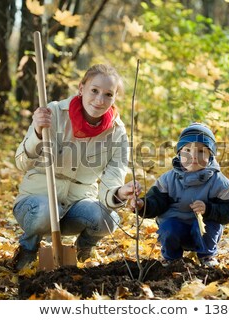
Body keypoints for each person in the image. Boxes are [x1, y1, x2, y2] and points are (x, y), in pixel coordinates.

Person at [12, 64, 139, 271]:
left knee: (108, 219)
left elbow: (112, 182)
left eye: (108, 94)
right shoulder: (52, 112)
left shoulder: (117, 134)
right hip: (36, 204)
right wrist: (36, 131)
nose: (99, 100)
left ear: (115, 97)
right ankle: (28, 248)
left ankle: (84, 246)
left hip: (75, 206)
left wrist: (119, 192)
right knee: (45, 211)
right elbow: (21, 163)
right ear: (81, 89)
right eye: (94, 91)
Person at [132, 123, 229, 267]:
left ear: (210, 155)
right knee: (168, 227)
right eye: (188, 150)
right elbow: (156, 201)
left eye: (201, 151)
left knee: (205, 226)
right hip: (176, 229)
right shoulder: (168, 180)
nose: (194, 156)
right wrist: (142, 205)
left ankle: (207, 256)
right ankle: (171, 258)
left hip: (203, 231)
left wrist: (209, 209)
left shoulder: (219, 181)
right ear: (179, 153)